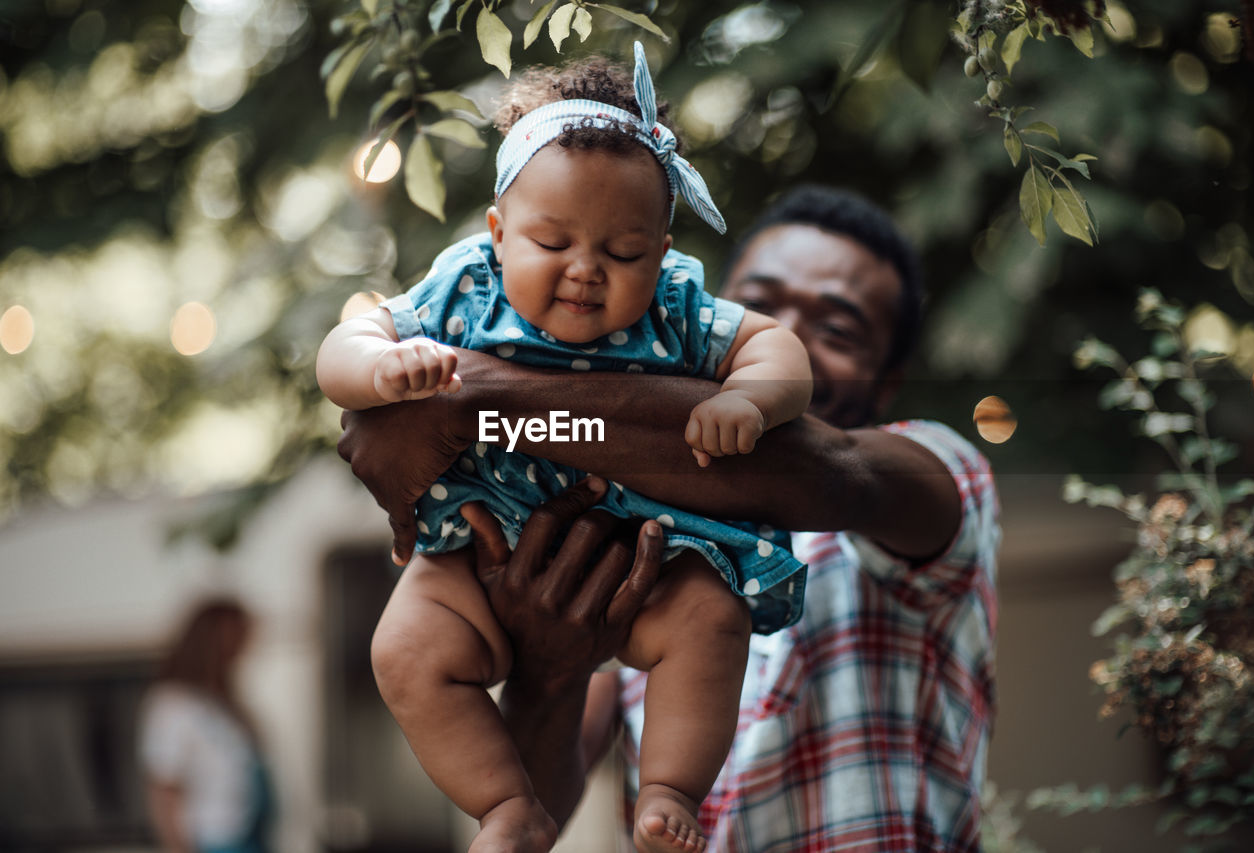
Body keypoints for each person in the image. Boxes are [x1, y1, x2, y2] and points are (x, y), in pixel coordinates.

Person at [337, 186, 998, 851]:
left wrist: (467, 404)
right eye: (763, 307)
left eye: (836, 330)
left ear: (886, 381)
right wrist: (555, 665)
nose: (791, 336)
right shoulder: (618, 511)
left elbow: (814, 468)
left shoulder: (934, 469)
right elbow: (539, 809)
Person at [317, 44, 811, 853]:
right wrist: (380, 367)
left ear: (660, 252)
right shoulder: (462, 287)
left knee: (710, 617)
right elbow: (343, 348)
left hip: (651, 553)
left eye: (622, 254)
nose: (586, 270)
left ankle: (668, 790)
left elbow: (777, 347)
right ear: (499, 233)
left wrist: (751, 397)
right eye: (552, 243)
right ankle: (507, 803)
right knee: (405, 649)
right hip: (474, 553)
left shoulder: (677, 306)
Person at [137, 597, 274, 853]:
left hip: (251, 836)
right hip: (215, 842)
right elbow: (164, 789)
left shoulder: (221, 702)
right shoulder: (173, 704)